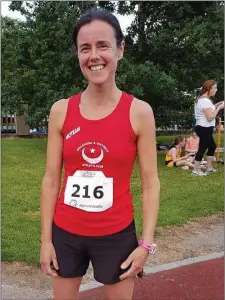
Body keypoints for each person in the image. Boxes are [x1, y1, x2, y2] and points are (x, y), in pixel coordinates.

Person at [40, 8, 160, 300]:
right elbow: (51, 179)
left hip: (117, 235)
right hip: (66, 234)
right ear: (78, 55)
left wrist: (146, 244)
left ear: (120, 49)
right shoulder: (60, 111)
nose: (94, 56)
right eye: (85, 48)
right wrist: (46, 241)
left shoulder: (139, 112)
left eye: (103, 45)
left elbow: (150, 183)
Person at [192, 80, 224, 176]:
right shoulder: (205, 101)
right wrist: (219, 108)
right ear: (209, 88)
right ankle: (196, 170)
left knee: (212, 146)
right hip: (204, 128)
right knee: (202, 148)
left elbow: (209, 109)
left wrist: (217, 104)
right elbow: (210, 117)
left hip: (204, 128)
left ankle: (209, 167)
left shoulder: (203, 100)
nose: (216, 90)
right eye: (214, 88)